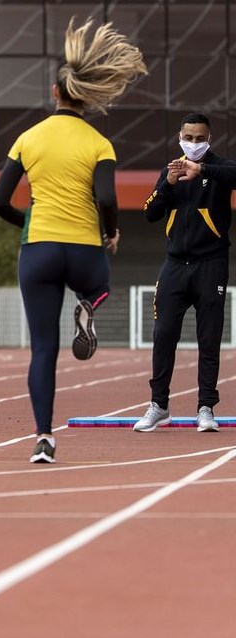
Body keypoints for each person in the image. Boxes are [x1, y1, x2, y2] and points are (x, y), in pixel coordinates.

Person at [0, 17, 146, 463]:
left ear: (56, 93)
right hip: (83, 249)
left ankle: (43, 437)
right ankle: (88, 306)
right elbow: (107, 196)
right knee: (99, 286)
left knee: (42, 350)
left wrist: (28, 223)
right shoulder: (99, 142)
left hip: (38, 249)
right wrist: (110, 231)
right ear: (87, 96)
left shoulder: (28, 138)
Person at [132, 113, 236, 433]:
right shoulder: (171, 171)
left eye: (199, 138)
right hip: (176, 264)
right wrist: (169, 184)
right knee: (164, 335)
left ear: (209, 139)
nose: (193, 144)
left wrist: (201, 168)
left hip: (211, 264)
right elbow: (150, 212)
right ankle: (159, 406)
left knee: (209, 337)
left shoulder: (219, 168)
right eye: (188, 138)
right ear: (179, 136)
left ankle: (205, 407)